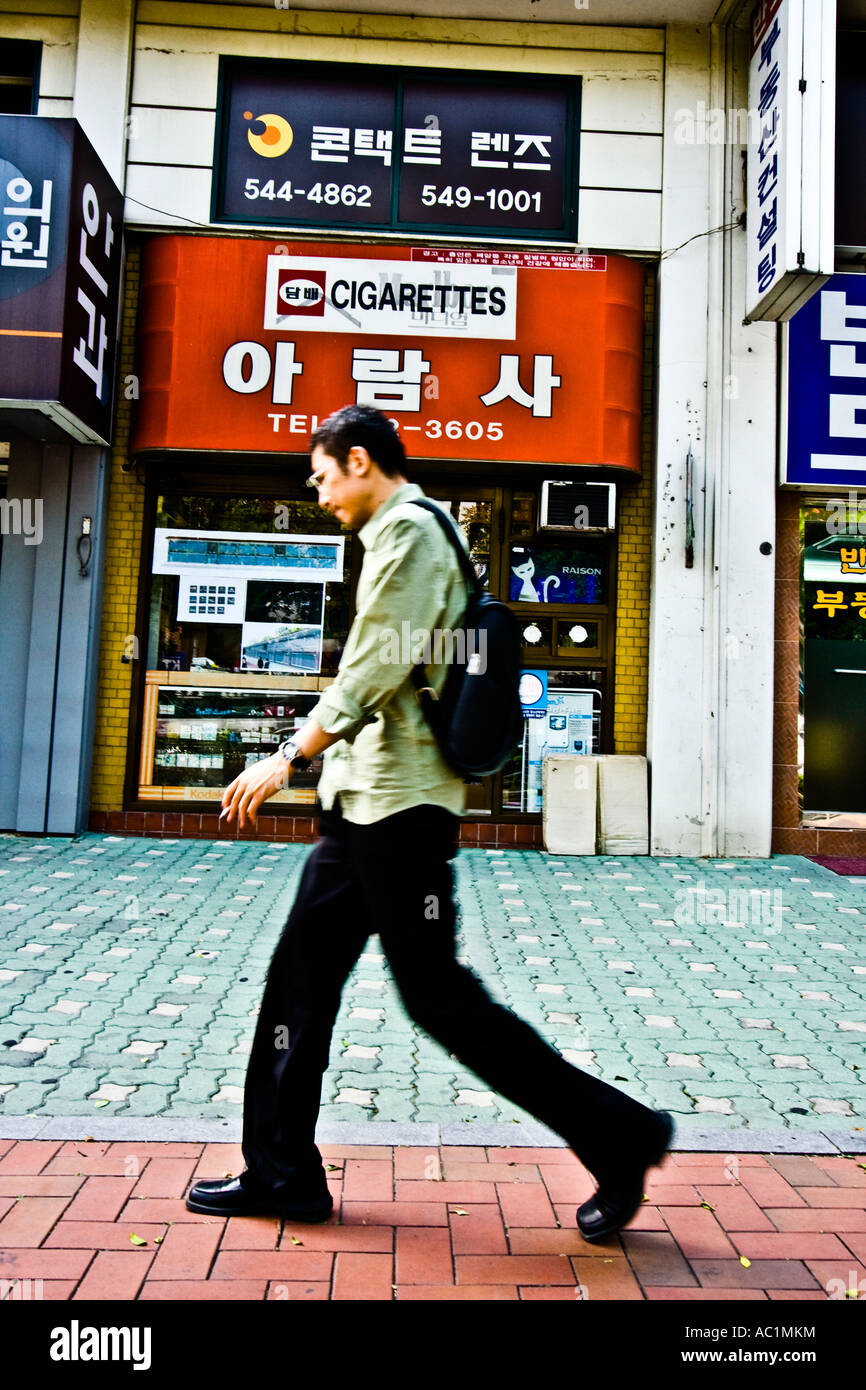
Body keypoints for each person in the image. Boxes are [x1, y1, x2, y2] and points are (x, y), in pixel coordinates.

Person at [185, 405, 673, 1241]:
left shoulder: (409, 533)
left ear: (363, 460)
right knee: (297, 987)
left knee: (441, 1002)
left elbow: (378, 661)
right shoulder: (411, 530)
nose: (318, 489)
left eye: (323, 473)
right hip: (366, 809)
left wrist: (286, 757)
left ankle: (619, 1135)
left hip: (398, 816)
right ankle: (282, 1172)